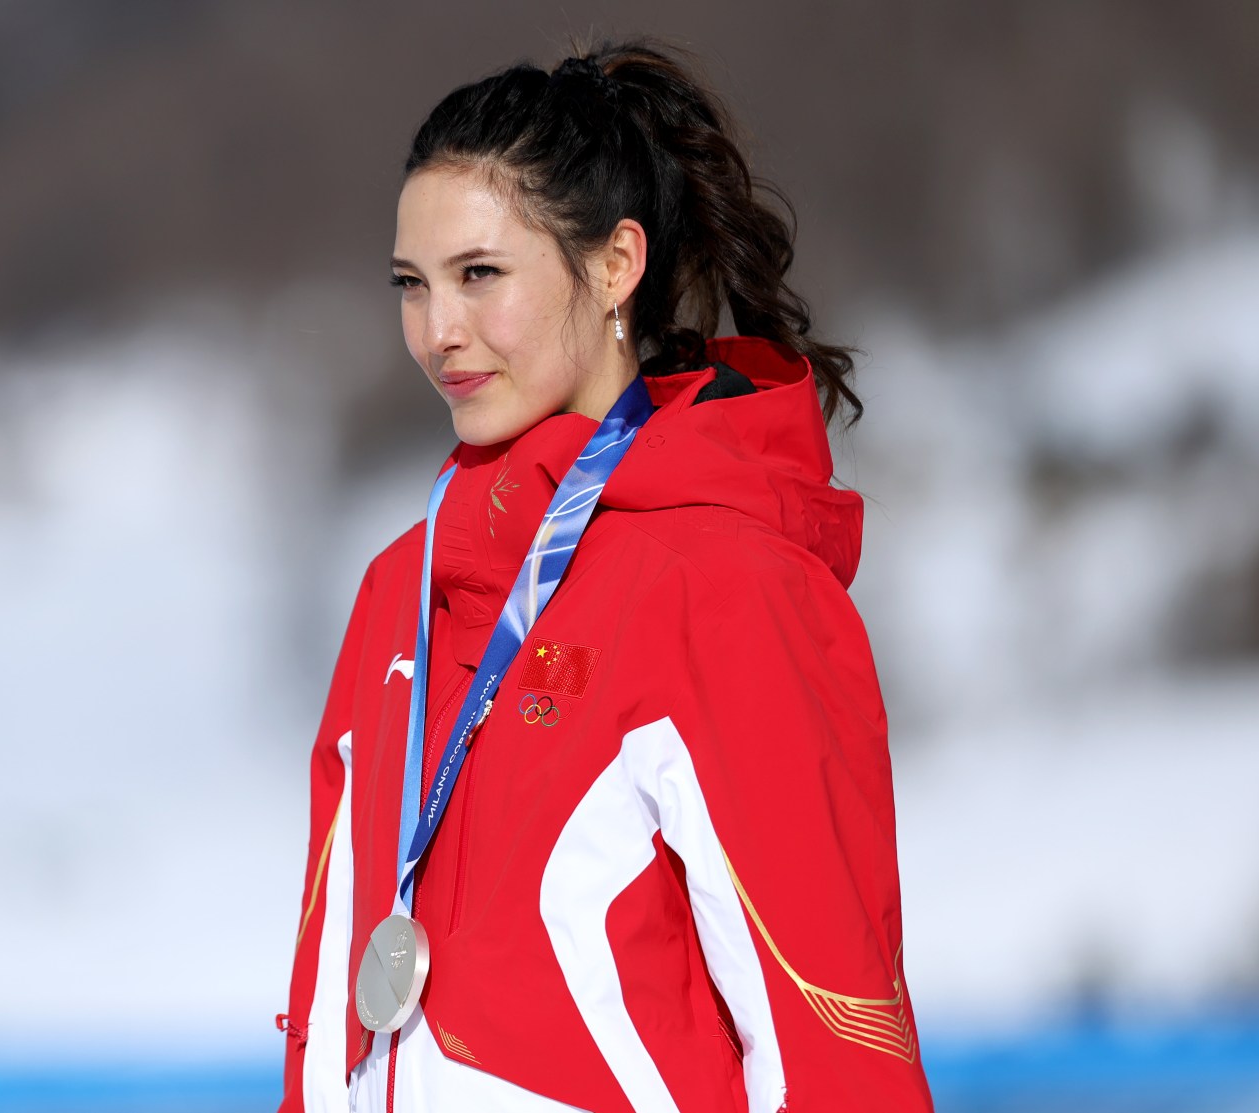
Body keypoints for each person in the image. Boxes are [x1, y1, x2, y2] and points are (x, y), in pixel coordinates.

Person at [277, 38, 934, 1113]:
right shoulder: (405, 585)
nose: (439, 332)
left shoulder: (723, 582)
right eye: (411, 285)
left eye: (479, 275)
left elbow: (834, 1050)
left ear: (615, 264)